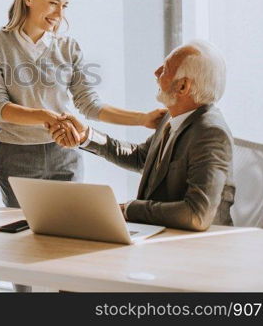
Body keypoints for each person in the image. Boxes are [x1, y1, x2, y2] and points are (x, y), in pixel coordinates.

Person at [0, 0, 166, 208]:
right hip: (17, 156)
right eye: (53, 2)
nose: (59, 14)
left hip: (65, 154)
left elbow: (89, 105)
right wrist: (45, 116)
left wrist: (142, 119)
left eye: (64, 5)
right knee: (22, 233)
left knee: (67, 232)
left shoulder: (69, 48)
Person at [50, 40, 235, 231]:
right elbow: (142, 157)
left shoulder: (211, 134)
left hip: (196, 246)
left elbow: (196, 215)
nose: (156, 72)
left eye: (166, 69)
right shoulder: (173, 117)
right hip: (160, 232)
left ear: (182, 87)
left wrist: (129, 210)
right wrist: (86, 136)